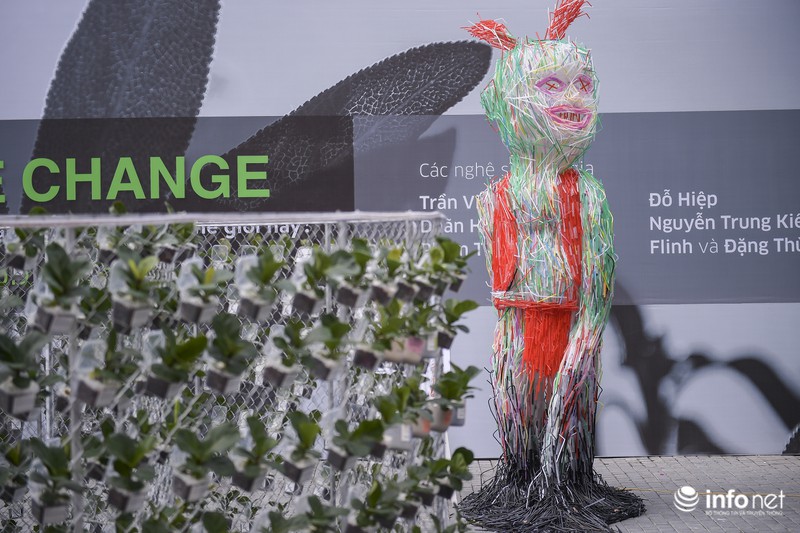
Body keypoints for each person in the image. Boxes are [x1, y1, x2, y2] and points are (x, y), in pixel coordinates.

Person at [459, 2, 645, 530]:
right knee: (520, 421)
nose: (573, 98)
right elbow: (500, 287)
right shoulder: (493, 198)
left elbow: (596, 291)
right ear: (507, 103)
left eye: (583, 84)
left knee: (567, 419)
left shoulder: (588, 196)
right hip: (519, 329)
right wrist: (507, 342)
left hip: (569, 327)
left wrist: (583, 345)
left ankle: (564, 487)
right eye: (551, 86)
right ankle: (523, 484)